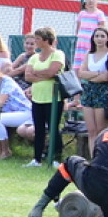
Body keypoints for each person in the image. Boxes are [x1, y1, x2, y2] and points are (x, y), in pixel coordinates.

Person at [23, 26, 66, 167]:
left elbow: (52, 72)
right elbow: (27, 76)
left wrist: (37, 73)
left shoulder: (58, 54)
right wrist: (43, 75)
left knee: (53, 127)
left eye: (38, 39)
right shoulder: (35, 57)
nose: (35, 41)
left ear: (47, 40)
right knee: (39, 128)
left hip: (53, 98)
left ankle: (56, 157)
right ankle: (37, 159)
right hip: (37, 98)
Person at [77, 26, 108, 155]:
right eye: (97, 36)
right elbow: (81, 73)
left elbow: (106, 77)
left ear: (107, 38)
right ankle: (93, 157)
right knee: (91, 130)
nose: (99, 39)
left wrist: (91, 75)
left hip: (103, 92)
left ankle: (103, 156)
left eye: (102, 36)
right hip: (89, 91)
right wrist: (97, 73)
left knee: (101, 129)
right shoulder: (89, 54)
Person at [0, 72, 32, 159]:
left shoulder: (7, 82)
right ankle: (0, 150)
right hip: (11, 113)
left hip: (25, 112)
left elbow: (0, 103)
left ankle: (6, 151)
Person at [72, 0, 106, 72]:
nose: (90, 0)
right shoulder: (82, 14)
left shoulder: (99, 14)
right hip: (81, 44)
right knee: (77, 67)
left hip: (91, 44)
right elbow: (78, 29)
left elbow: (103, 29)